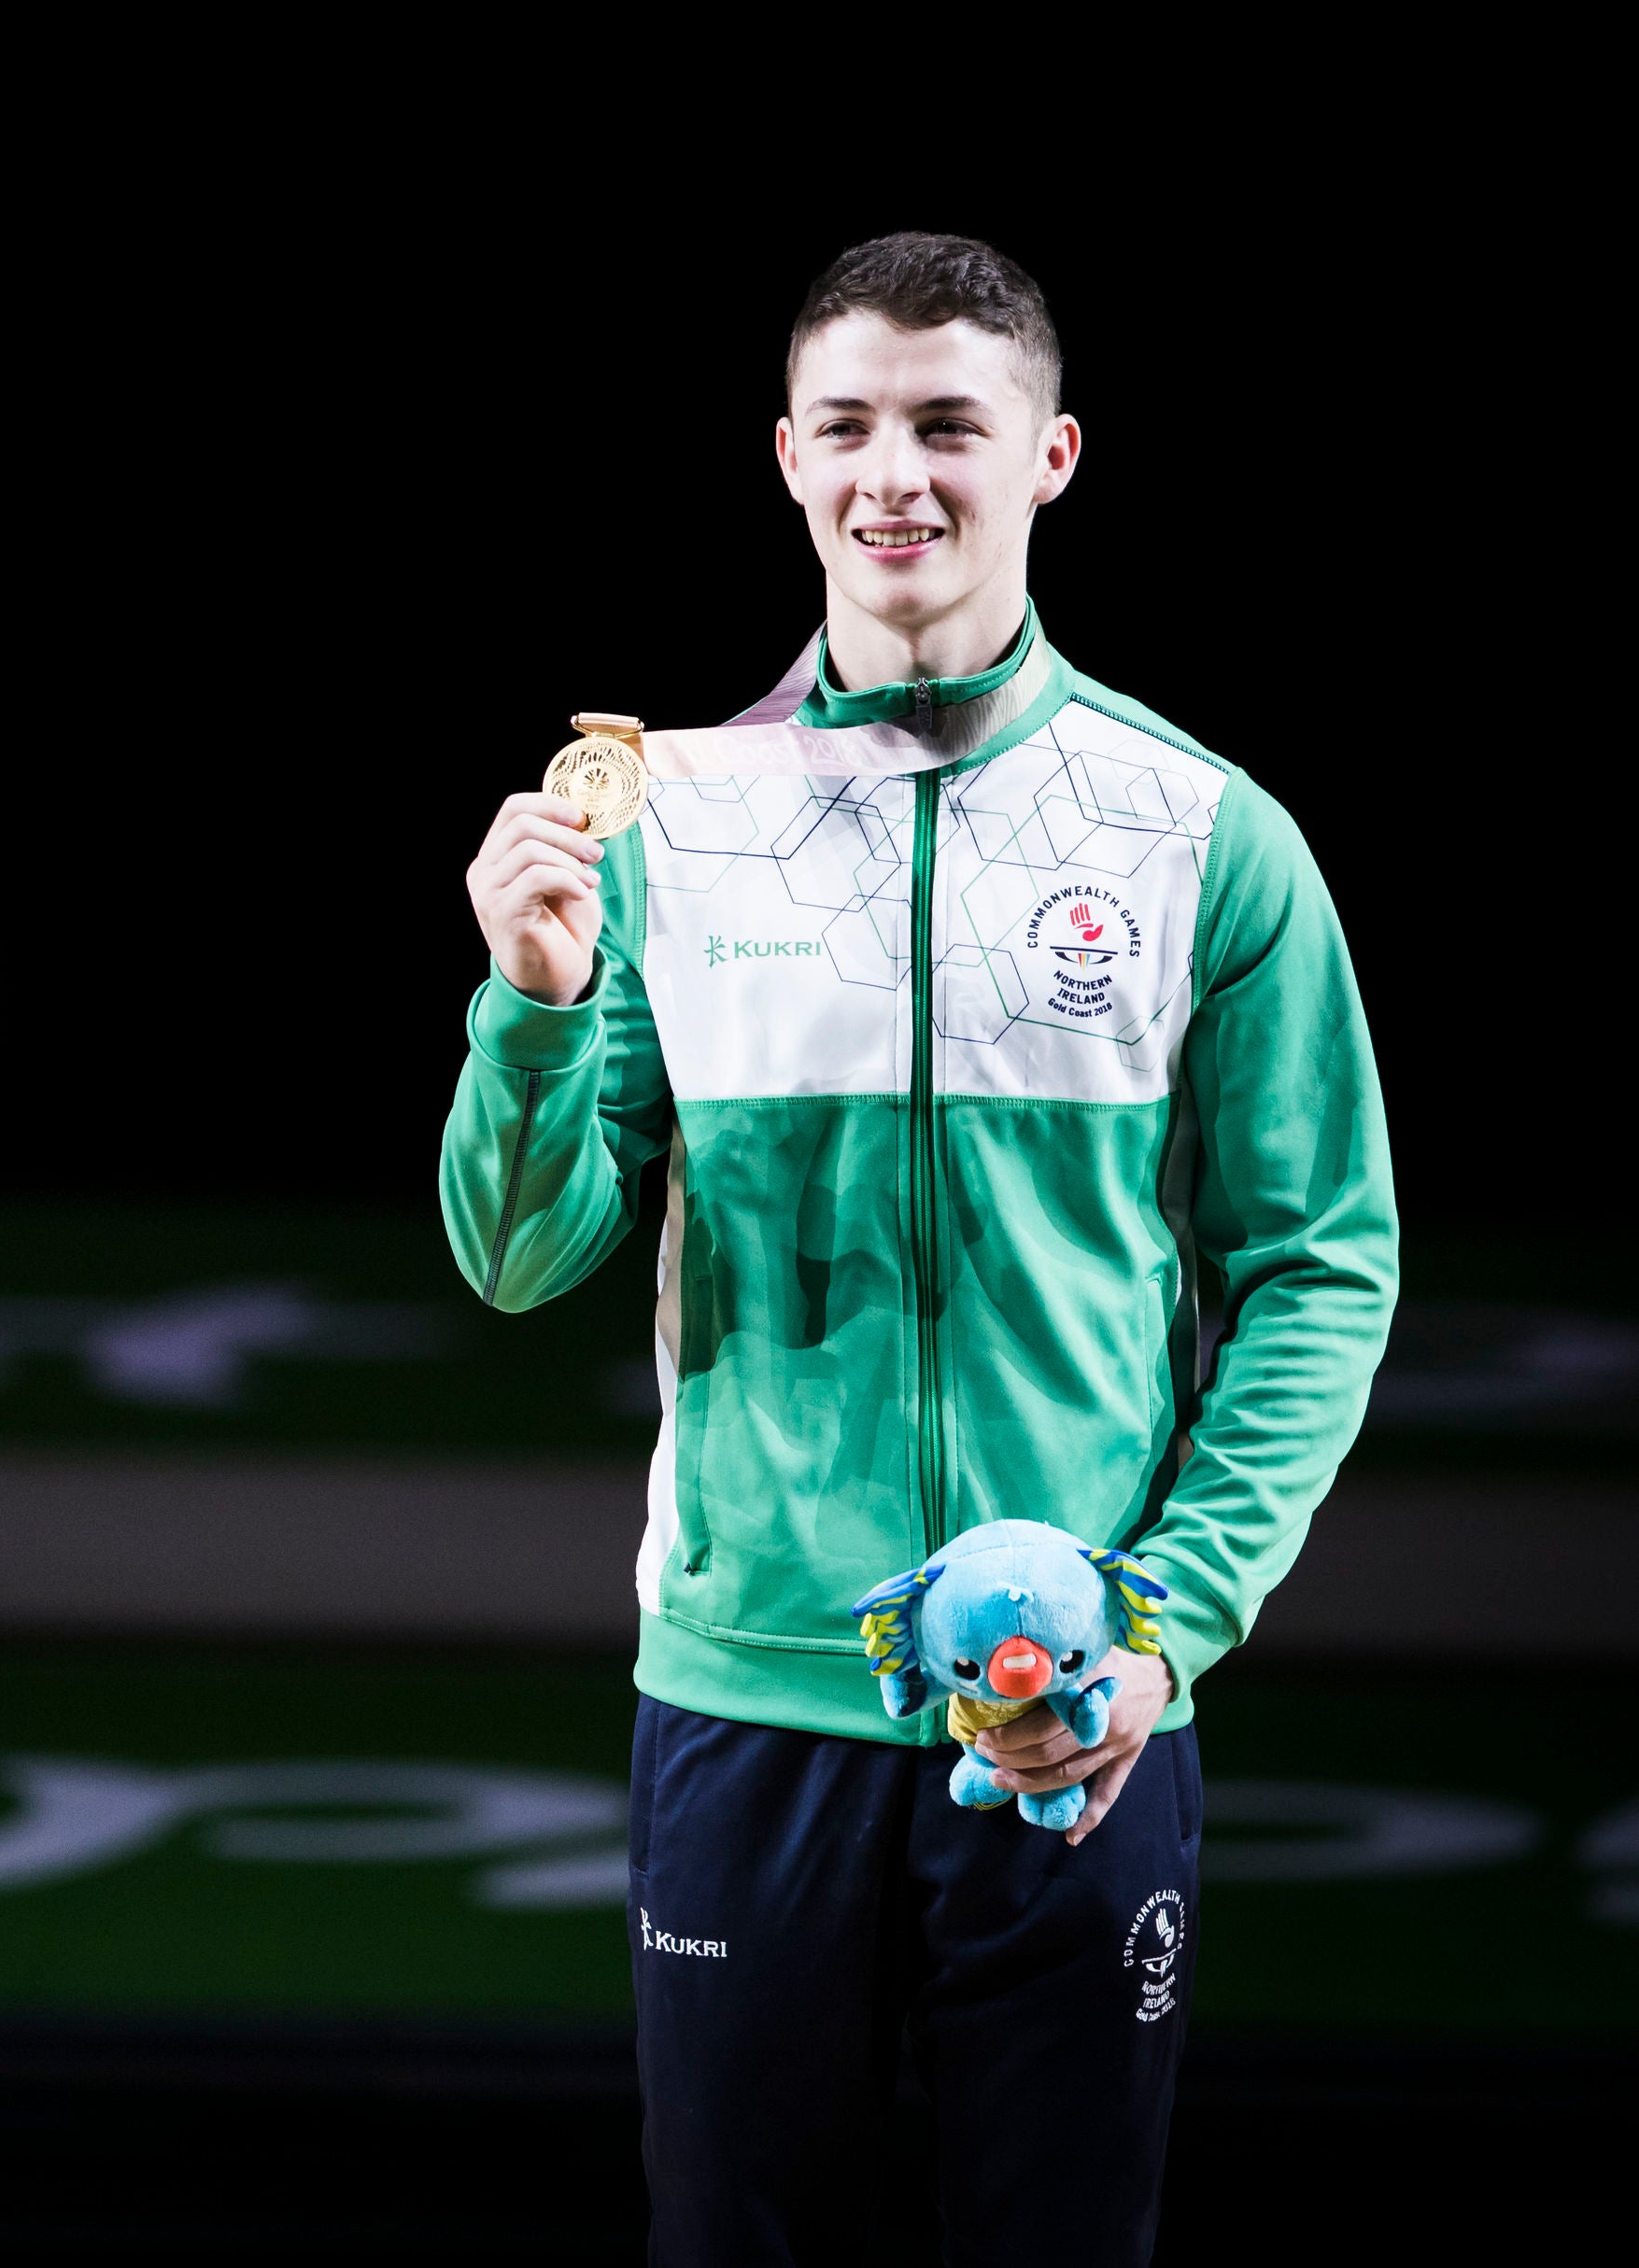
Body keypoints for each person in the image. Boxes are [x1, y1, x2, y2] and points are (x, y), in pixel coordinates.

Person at [440, 234, 1394, 2261]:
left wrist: (1167, 1616)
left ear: (1048, 456)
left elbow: (1319, 1268)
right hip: (747, 1705)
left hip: (1079, 1705)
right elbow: (518, 1258)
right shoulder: (665, 829)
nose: (899, 473)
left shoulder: (1201, 837)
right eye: (852, 424)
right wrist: (529, 1004)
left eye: (950, 424)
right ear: (785, 458)